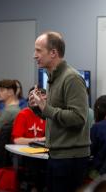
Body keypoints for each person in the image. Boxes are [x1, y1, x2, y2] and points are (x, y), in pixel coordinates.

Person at [29, 31, 90, 192]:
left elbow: (78, 118)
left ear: (53, 52)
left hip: (70, 158)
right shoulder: (53, 77)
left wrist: (46, 108)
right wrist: (37, 107)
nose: (34, 56)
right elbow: (54, 115)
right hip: (58, 155)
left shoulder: (71, 78)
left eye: (38, 50)